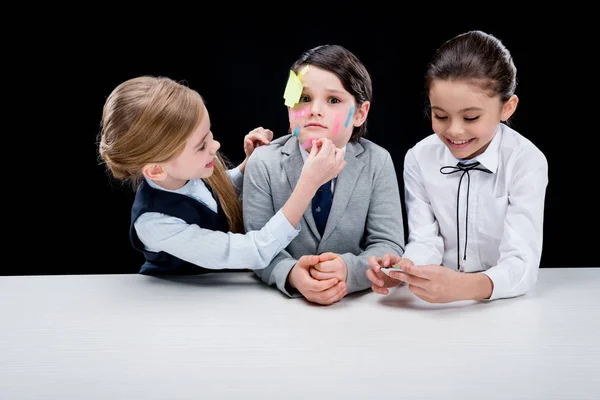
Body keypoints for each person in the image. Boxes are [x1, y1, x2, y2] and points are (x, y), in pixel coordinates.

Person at [98, 75, 346, 275]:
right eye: (201, 145)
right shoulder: (154, 224)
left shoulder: (187, 170)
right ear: (156, 170)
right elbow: (255, 251)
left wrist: (247, 166)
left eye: (209, 134)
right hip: (180, 300)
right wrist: (309, 184)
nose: (215, 146)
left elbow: (213, 193)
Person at [367, 30, 548, 303]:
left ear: (507, 108)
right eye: (440, 115)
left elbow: (522, 262)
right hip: (436, 304)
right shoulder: (419, 157)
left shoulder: (525, 161)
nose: (454, 130)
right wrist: (404, 268)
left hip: (506, 303)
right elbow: (426, 240)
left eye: (471, 117)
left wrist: (465, 287)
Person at [243, 45, 405, 305]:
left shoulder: (377, 161)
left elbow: (388, 243)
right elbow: (255, 247)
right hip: (277, 311)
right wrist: (292, 274)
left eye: (333, 100)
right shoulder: (263, 162)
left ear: (360, 114)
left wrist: (349, 270)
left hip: (360, 311)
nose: (314, 110)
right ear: (289, 107)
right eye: (304, 99)